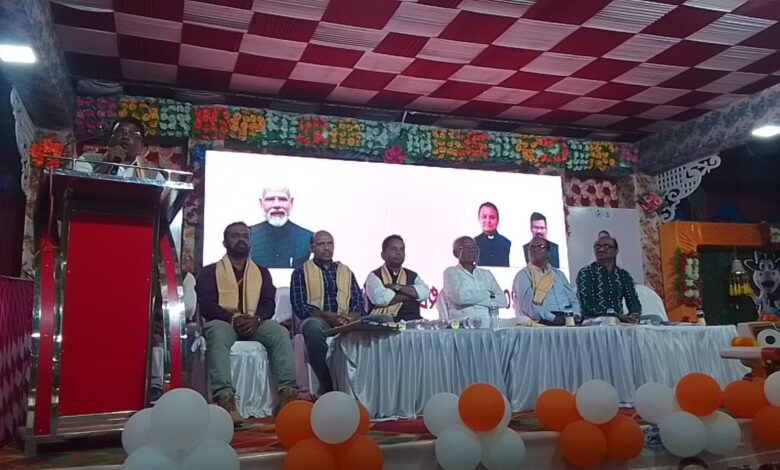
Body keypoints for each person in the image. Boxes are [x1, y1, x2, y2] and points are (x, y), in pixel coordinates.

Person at [196, 222, 298, 425]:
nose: (241, 240)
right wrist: (233, 318)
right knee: (217, 332)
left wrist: (256, 319)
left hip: (254, 322)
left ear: (251, 241)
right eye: (235, 236)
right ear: (225, 242)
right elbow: (207, 305)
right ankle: (224, 398)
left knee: (278, 332)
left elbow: (268, 304)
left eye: (245, 236)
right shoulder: (209, 272)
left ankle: (288, 394)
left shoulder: (262, 272)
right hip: (224, 322)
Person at [290, 230, 364, 394]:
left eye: (330, 243)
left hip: (346, 321)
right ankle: (328, 382)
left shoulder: (346, 271)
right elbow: (300, 306)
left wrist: (351, 317)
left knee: (377, 321)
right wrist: (329, 317)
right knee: (312, 328)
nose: (326, 248)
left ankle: (364, 383)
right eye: (321, 244)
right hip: (318, 320)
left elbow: (359, 303)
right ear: (311, 248)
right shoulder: (300, 272)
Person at [513, 236, 579, 326]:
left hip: (568, 318)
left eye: (540, 246)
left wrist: (576, 314)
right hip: (544, 321)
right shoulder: (523, 275)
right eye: (532, 247)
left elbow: (572, 299)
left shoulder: (558, 274)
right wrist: (553, 318)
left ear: (548, 252)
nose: (535, 250)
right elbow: (527, 307)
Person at [443, 236, 507, 326]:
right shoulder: (451, 272)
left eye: (474, 247)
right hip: (463, 326)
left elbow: (503, 301)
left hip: (488, 325)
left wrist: (471, 298)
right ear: (456, 253)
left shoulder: (486, 274)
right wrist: (488, 294)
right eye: (467, 247)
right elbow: (460, 298)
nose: (472, 251)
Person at [576, 235, 641, 322]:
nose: (601, 249)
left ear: (616, 251)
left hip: (618, 324)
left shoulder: (623, 275)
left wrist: (634, 315)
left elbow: (634, 303)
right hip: (592, 323)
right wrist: (616, 316)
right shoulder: (585, 273)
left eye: (606, 246)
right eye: (597, 246)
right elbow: (587, 306)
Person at [365, 235, 429, 321]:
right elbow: (381, 299)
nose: (398, 252)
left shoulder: (412, 275)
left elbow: (425, 293)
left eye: (401, 249)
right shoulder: (374, 276)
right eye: (393, 249)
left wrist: (396, 287)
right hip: (383, 324)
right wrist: (412, 295)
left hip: (412, 322)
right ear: (383, 255)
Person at [73, 117, 159, 178]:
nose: (125, 137)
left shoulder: (152, 174)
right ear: (109, 140)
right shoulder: (87, 160)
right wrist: (107, 163)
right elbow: (81, 188)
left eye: (132, 134)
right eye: (120, 132)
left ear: (141, 145)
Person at [249, 187, 313, 268]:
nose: (277, 205)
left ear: (291, 202)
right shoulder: (247, 236)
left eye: (283, 199)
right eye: (270, 199)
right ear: (261, 203)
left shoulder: (309, 238)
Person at [474, 202, 511, 267]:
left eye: (492, 217)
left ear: (498, 220)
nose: (488, 221)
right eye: (484, 217)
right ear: (479, 219)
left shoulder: (506, 242)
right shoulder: (474, 243)